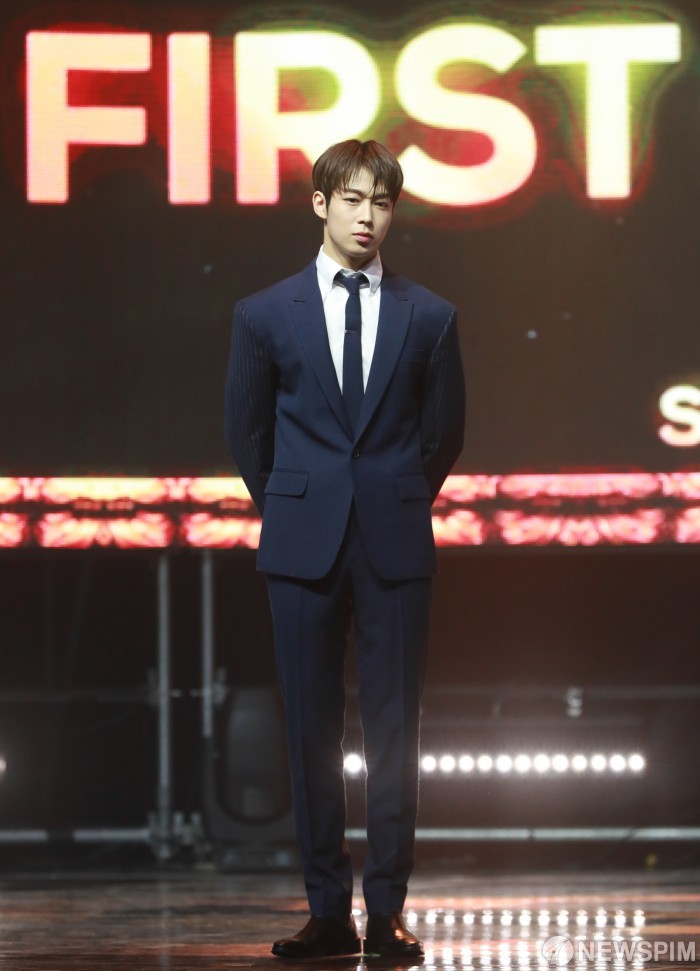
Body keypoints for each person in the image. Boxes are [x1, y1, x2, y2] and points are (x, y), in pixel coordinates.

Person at [225, 139, 465, 959]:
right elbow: (246, 432)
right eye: (353, 200)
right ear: (321, 204)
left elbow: (443, 435)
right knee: (310, 731)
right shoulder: (264, 313)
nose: (368, 217)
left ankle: (388, 908)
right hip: (301, 543)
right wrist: (297, 506)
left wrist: (391, 497)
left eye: (382, 203)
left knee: (397, 732)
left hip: (394, 540)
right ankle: (327, 910)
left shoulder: (430, 315)